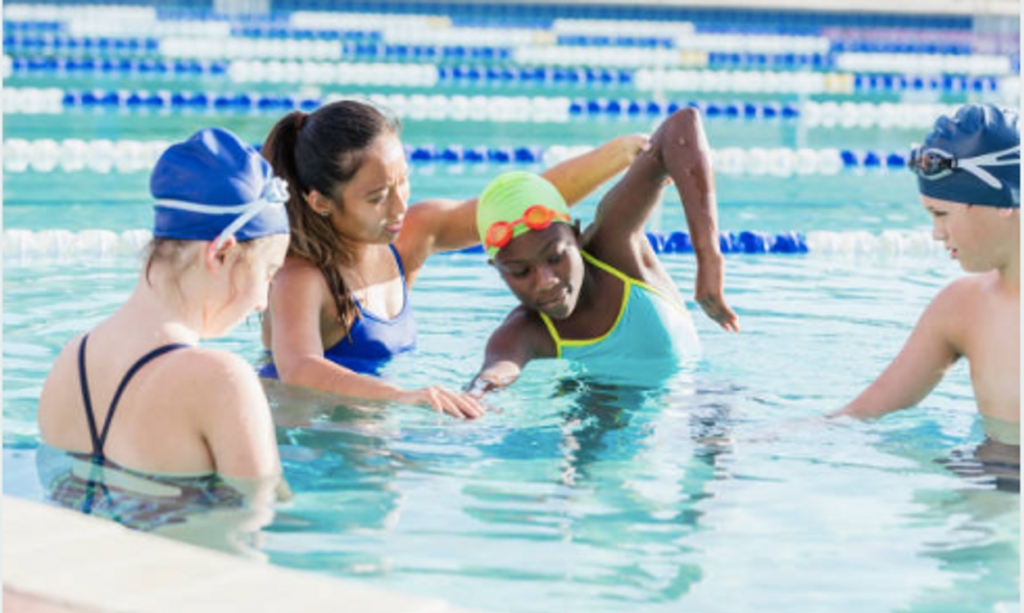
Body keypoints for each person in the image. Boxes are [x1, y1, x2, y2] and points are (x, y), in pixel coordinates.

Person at [260, 99, 649, 418]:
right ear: (321, 202)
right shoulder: (301, 278)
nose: (399, 206)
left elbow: (516, 204)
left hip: (367, 421)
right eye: (377, 198)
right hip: (301, 434)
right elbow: (299, 368)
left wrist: (621, 155)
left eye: (403, 181)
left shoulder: (408, 238)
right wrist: (402, 396)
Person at [38, 127, 290, 480]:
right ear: (220, 253)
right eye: (268, 273)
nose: (264, 302)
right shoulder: (223, 381)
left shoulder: (69, 362)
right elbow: (261, 517)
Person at [468, 107, 740, 393]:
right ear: (497, 270)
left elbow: (681, 126)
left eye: (556, 257)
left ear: (575, 233)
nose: (546, 280)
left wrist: (709, 258)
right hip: (601, 420)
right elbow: (494, 373)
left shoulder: (615, 247)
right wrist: (476, 396)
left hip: (699, 408)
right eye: (521, 271)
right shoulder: (524, 331)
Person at [833, 104, 1019, 427]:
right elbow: (863, 413)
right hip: (987, 472)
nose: (936, 234)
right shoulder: (961, 307)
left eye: (942, 214)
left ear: (1002, 203)